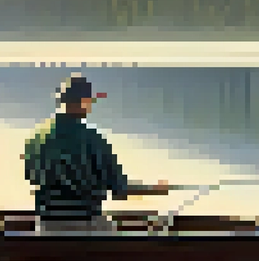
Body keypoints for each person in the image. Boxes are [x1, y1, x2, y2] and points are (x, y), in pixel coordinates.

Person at [22, 74, 169, 231]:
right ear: (83, 102)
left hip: (46, 224)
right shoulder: (92, 138)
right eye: (90, 101)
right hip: (84, 222)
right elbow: (119, 188)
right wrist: (155, 189)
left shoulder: (36, 137)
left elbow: (30, 177)